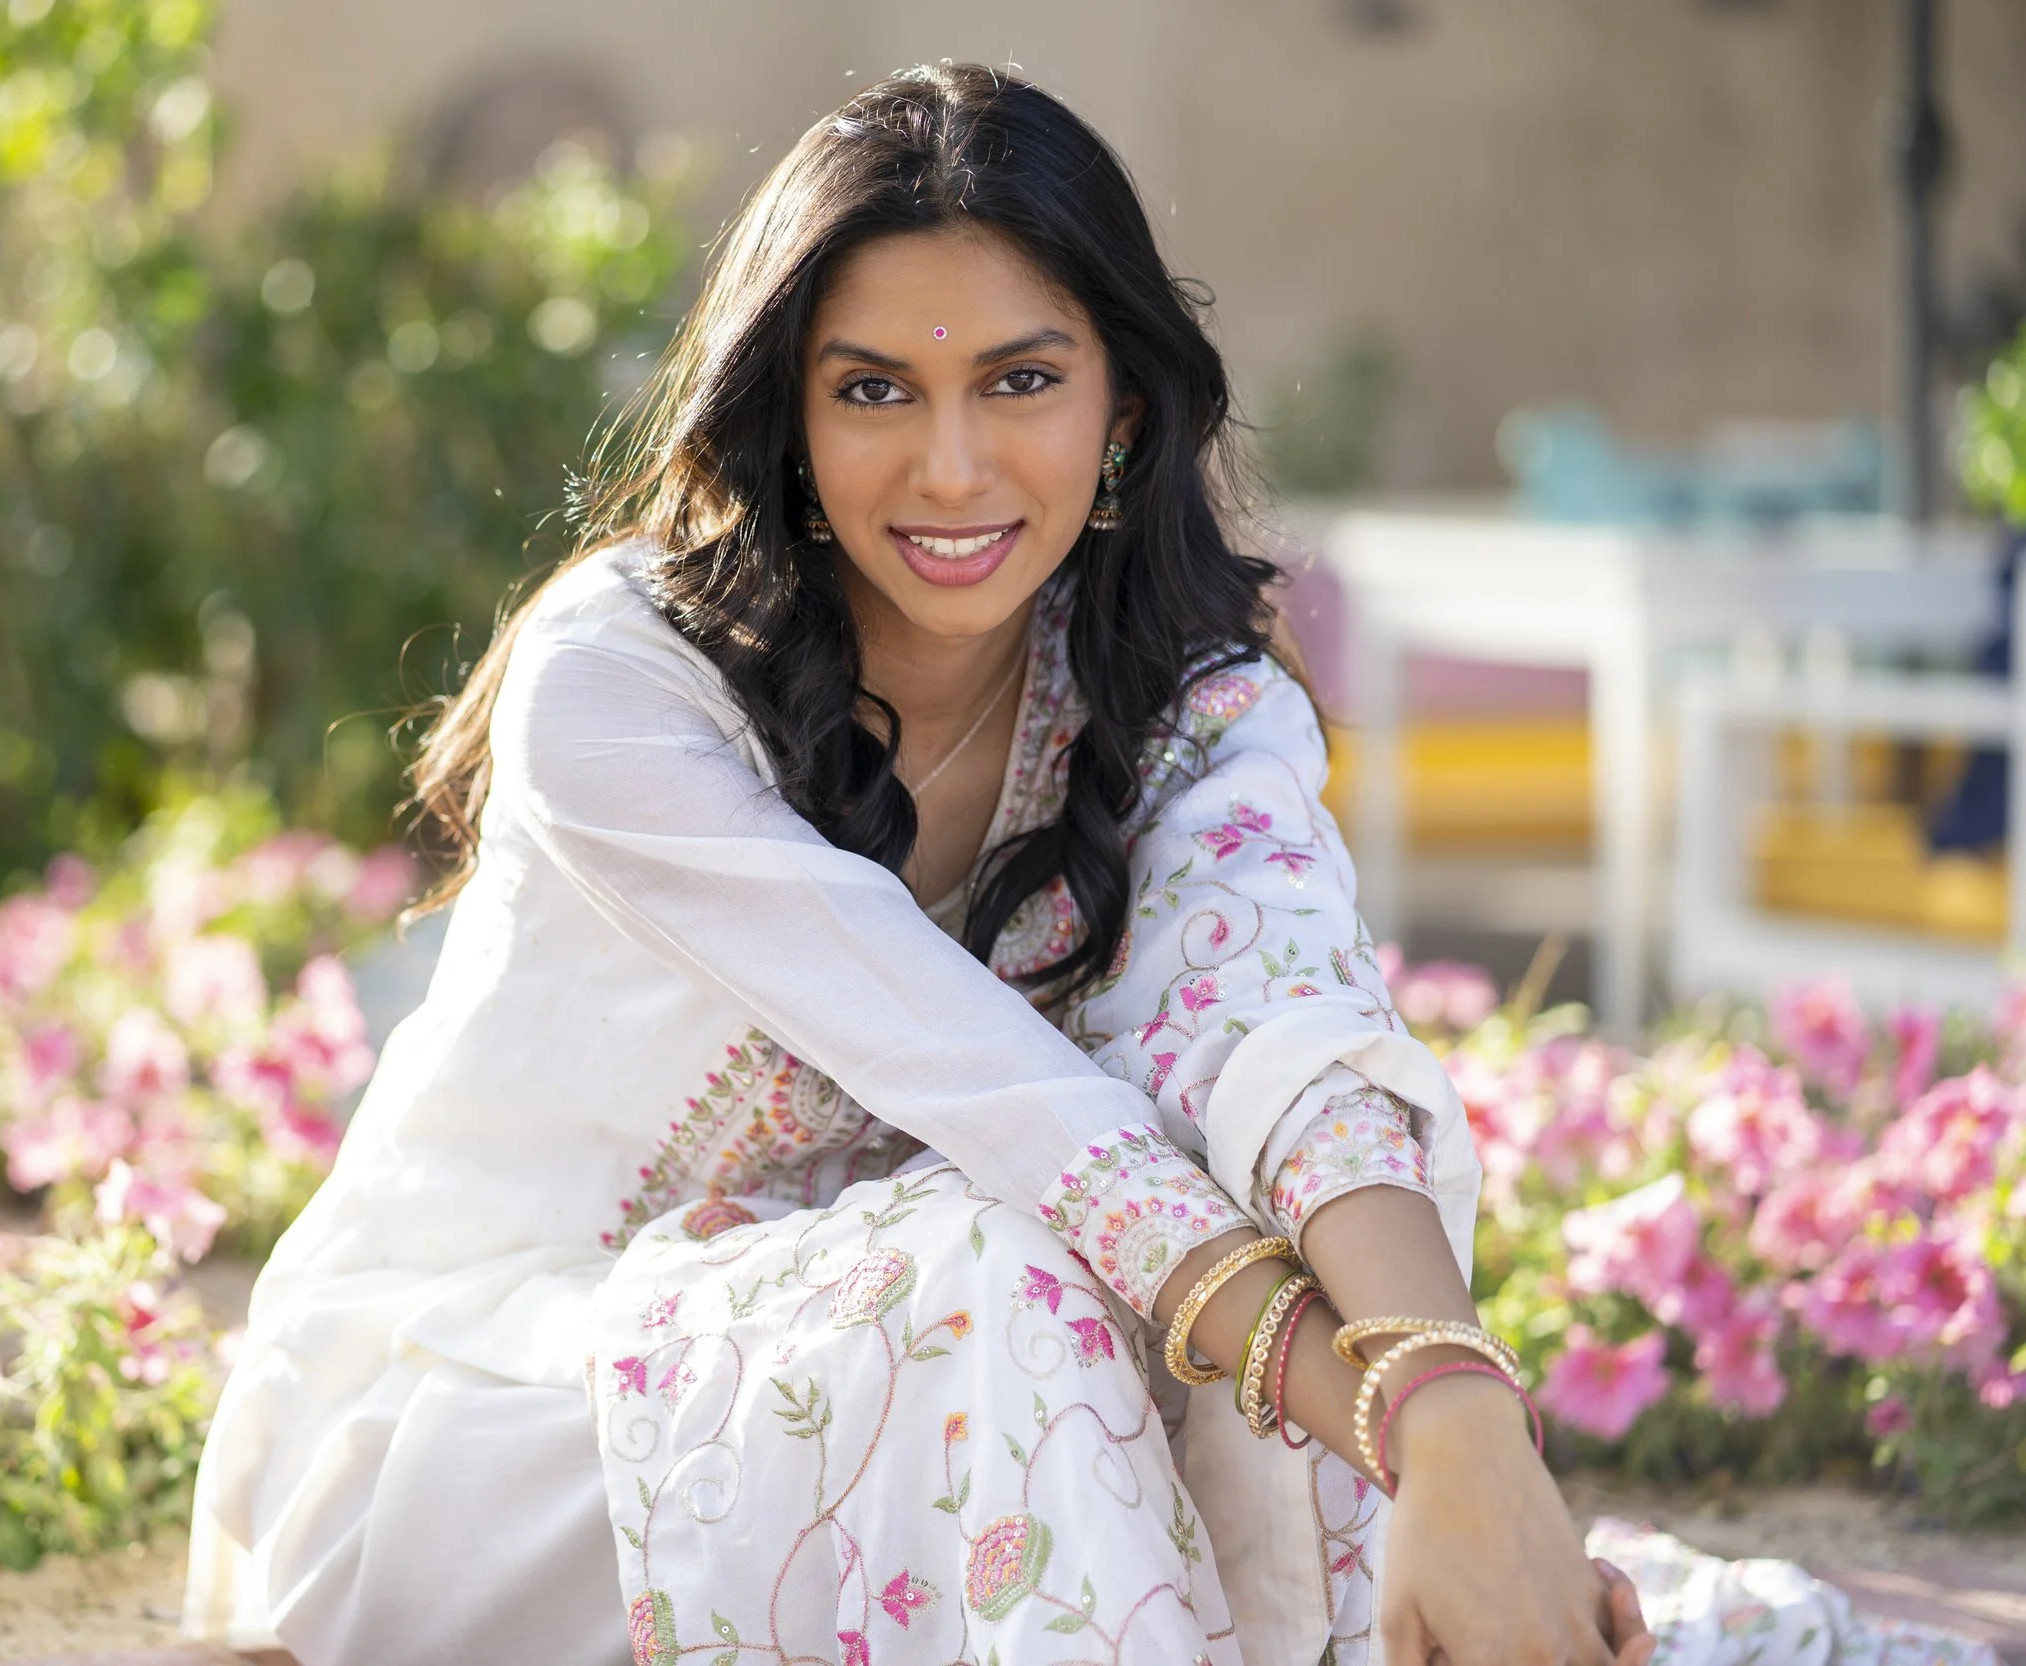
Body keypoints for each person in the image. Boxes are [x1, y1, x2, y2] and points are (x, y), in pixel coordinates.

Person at [180, 64, 1923, 1666]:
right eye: (875, 390)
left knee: (1254, 1200)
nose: (950, 467)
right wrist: (1403, 1413)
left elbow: (1284, 1023)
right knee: (1007, 1262)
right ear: (787, 417)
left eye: (1019, 379)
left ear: (1124, 409)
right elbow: (1003, 1096)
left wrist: (1451, 1390)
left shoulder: (1189, 697)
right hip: (495, 1427)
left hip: (946, 1398)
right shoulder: (625, 682)